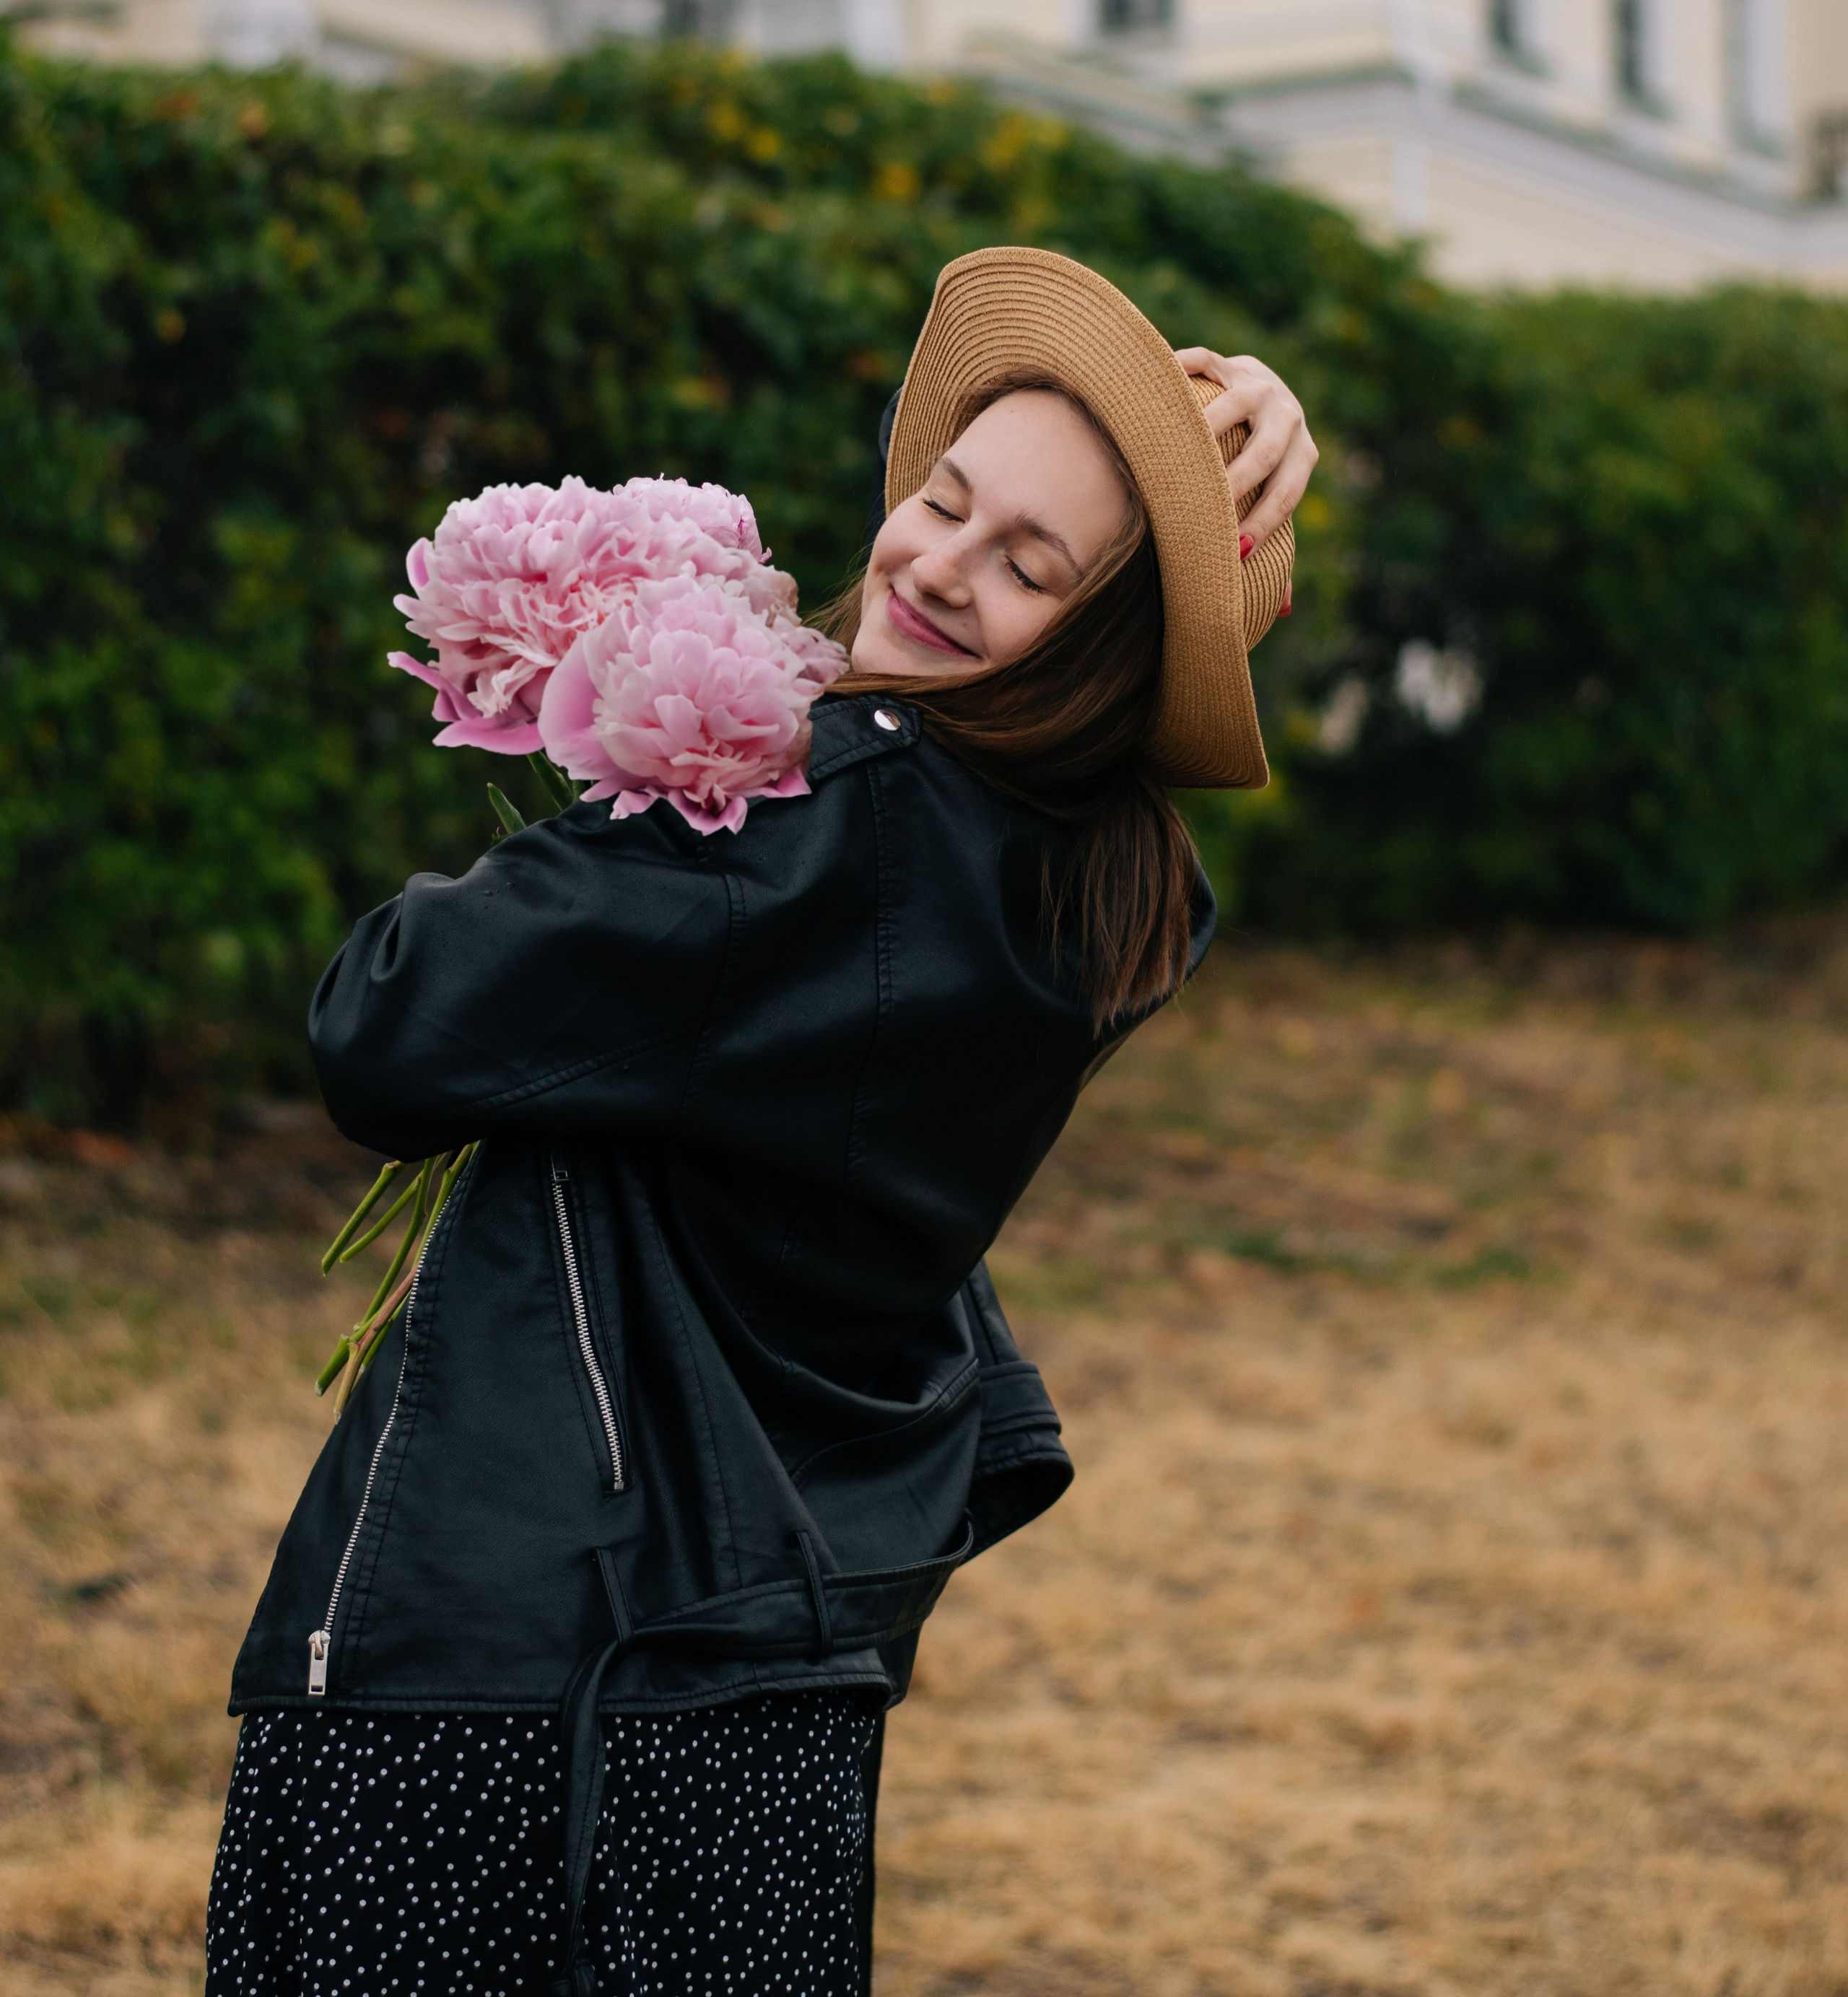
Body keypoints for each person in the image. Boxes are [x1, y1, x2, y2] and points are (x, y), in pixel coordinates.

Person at [206, 244, 1317, 1997]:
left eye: (1025, 568)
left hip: (520, 1689)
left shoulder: (801, 842)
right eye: (943, 502)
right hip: (767, 1700)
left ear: (1099, 660)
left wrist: (648, 758)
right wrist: (1214, 479)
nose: (935, 564)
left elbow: (386, 1022)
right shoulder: (1092, 903)